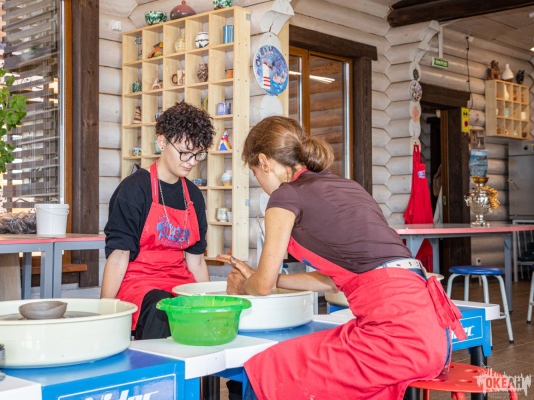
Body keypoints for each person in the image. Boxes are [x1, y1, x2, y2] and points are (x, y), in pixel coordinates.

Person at [217, 116, 466, 400]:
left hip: (395, 336)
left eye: (255, 173)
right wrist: (270, 278)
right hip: (432, 332)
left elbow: (261, 287)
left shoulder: (286, 196)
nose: (260, 182)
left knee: (264, 372)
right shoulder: (347, 186)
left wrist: (245, 284)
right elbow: (332, 280)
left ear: (264, 162)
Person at [102, 101, 215, 340]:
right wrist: (105, 314)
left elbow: (196, 262)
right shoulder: (134, 190)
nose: (191, 161)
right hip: (139, 284)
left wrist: (207, 303)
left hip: (180, 284)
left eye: (198, 155)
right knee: (162, 308)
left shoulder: (193, 196)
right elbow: (118, 258)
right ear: (162, 142)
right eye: (185, 152)